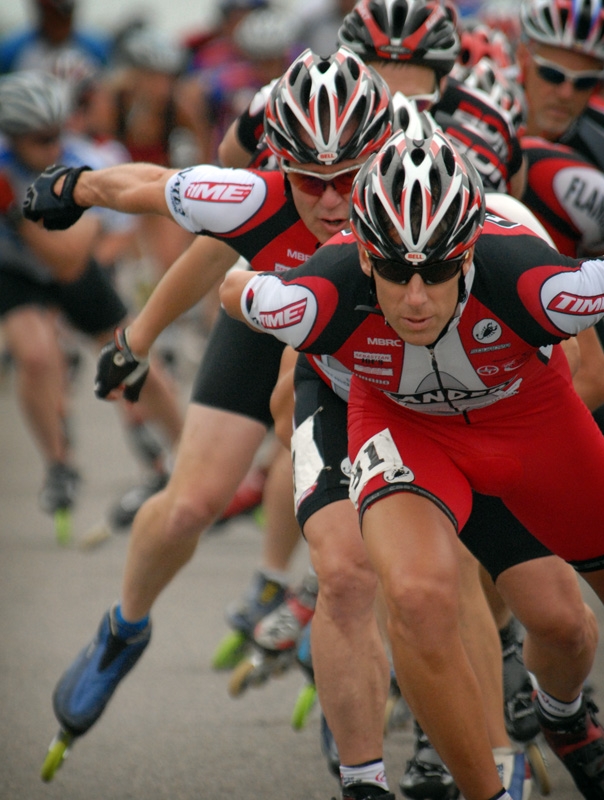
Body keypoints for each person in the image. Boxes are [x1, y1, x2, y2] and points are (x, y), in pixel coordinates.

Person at [23, 48, 399, 799]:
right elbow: (153, 193)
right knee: (191, 503)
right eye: (308, 180)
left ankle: (343, 652)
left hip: (360, 352)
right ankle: (124, 628)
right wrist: (135, 333)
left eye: (348, 177)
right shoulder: (256, 185)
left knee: (357, 548)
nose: (330, 199)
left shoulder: (412, 186)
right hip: (255, 311)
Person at [219, 125, 604, 800]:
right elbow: (235, 289)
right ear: (365, 258)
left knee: (565, 627)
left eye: (438, 272)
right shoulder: (315, 296)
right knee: (420, 598)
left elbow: (588, 360)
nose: (416, 298)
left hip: (530, 424)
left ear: (470, 254)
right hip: (405, 429)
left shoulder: (533, 281)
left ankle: (565, 714)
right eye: (394, 272)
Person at [0, 69, 182, 532]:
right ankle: (60, 463)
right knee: (36, 356)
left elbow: (68, 261)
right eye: (40, 140)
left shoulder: (86, 165)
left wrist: (14, 214)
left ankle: (191, 454)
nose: (52, 149)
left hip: (76, 268)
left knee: (140, 363)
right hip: (15, 272)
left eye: (56, 135)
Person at [0, 0, 111, 77]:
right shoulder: (11, 51)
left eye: (66, 13)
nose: (61, 21)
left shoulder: (97, 49)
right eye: (55, 13)